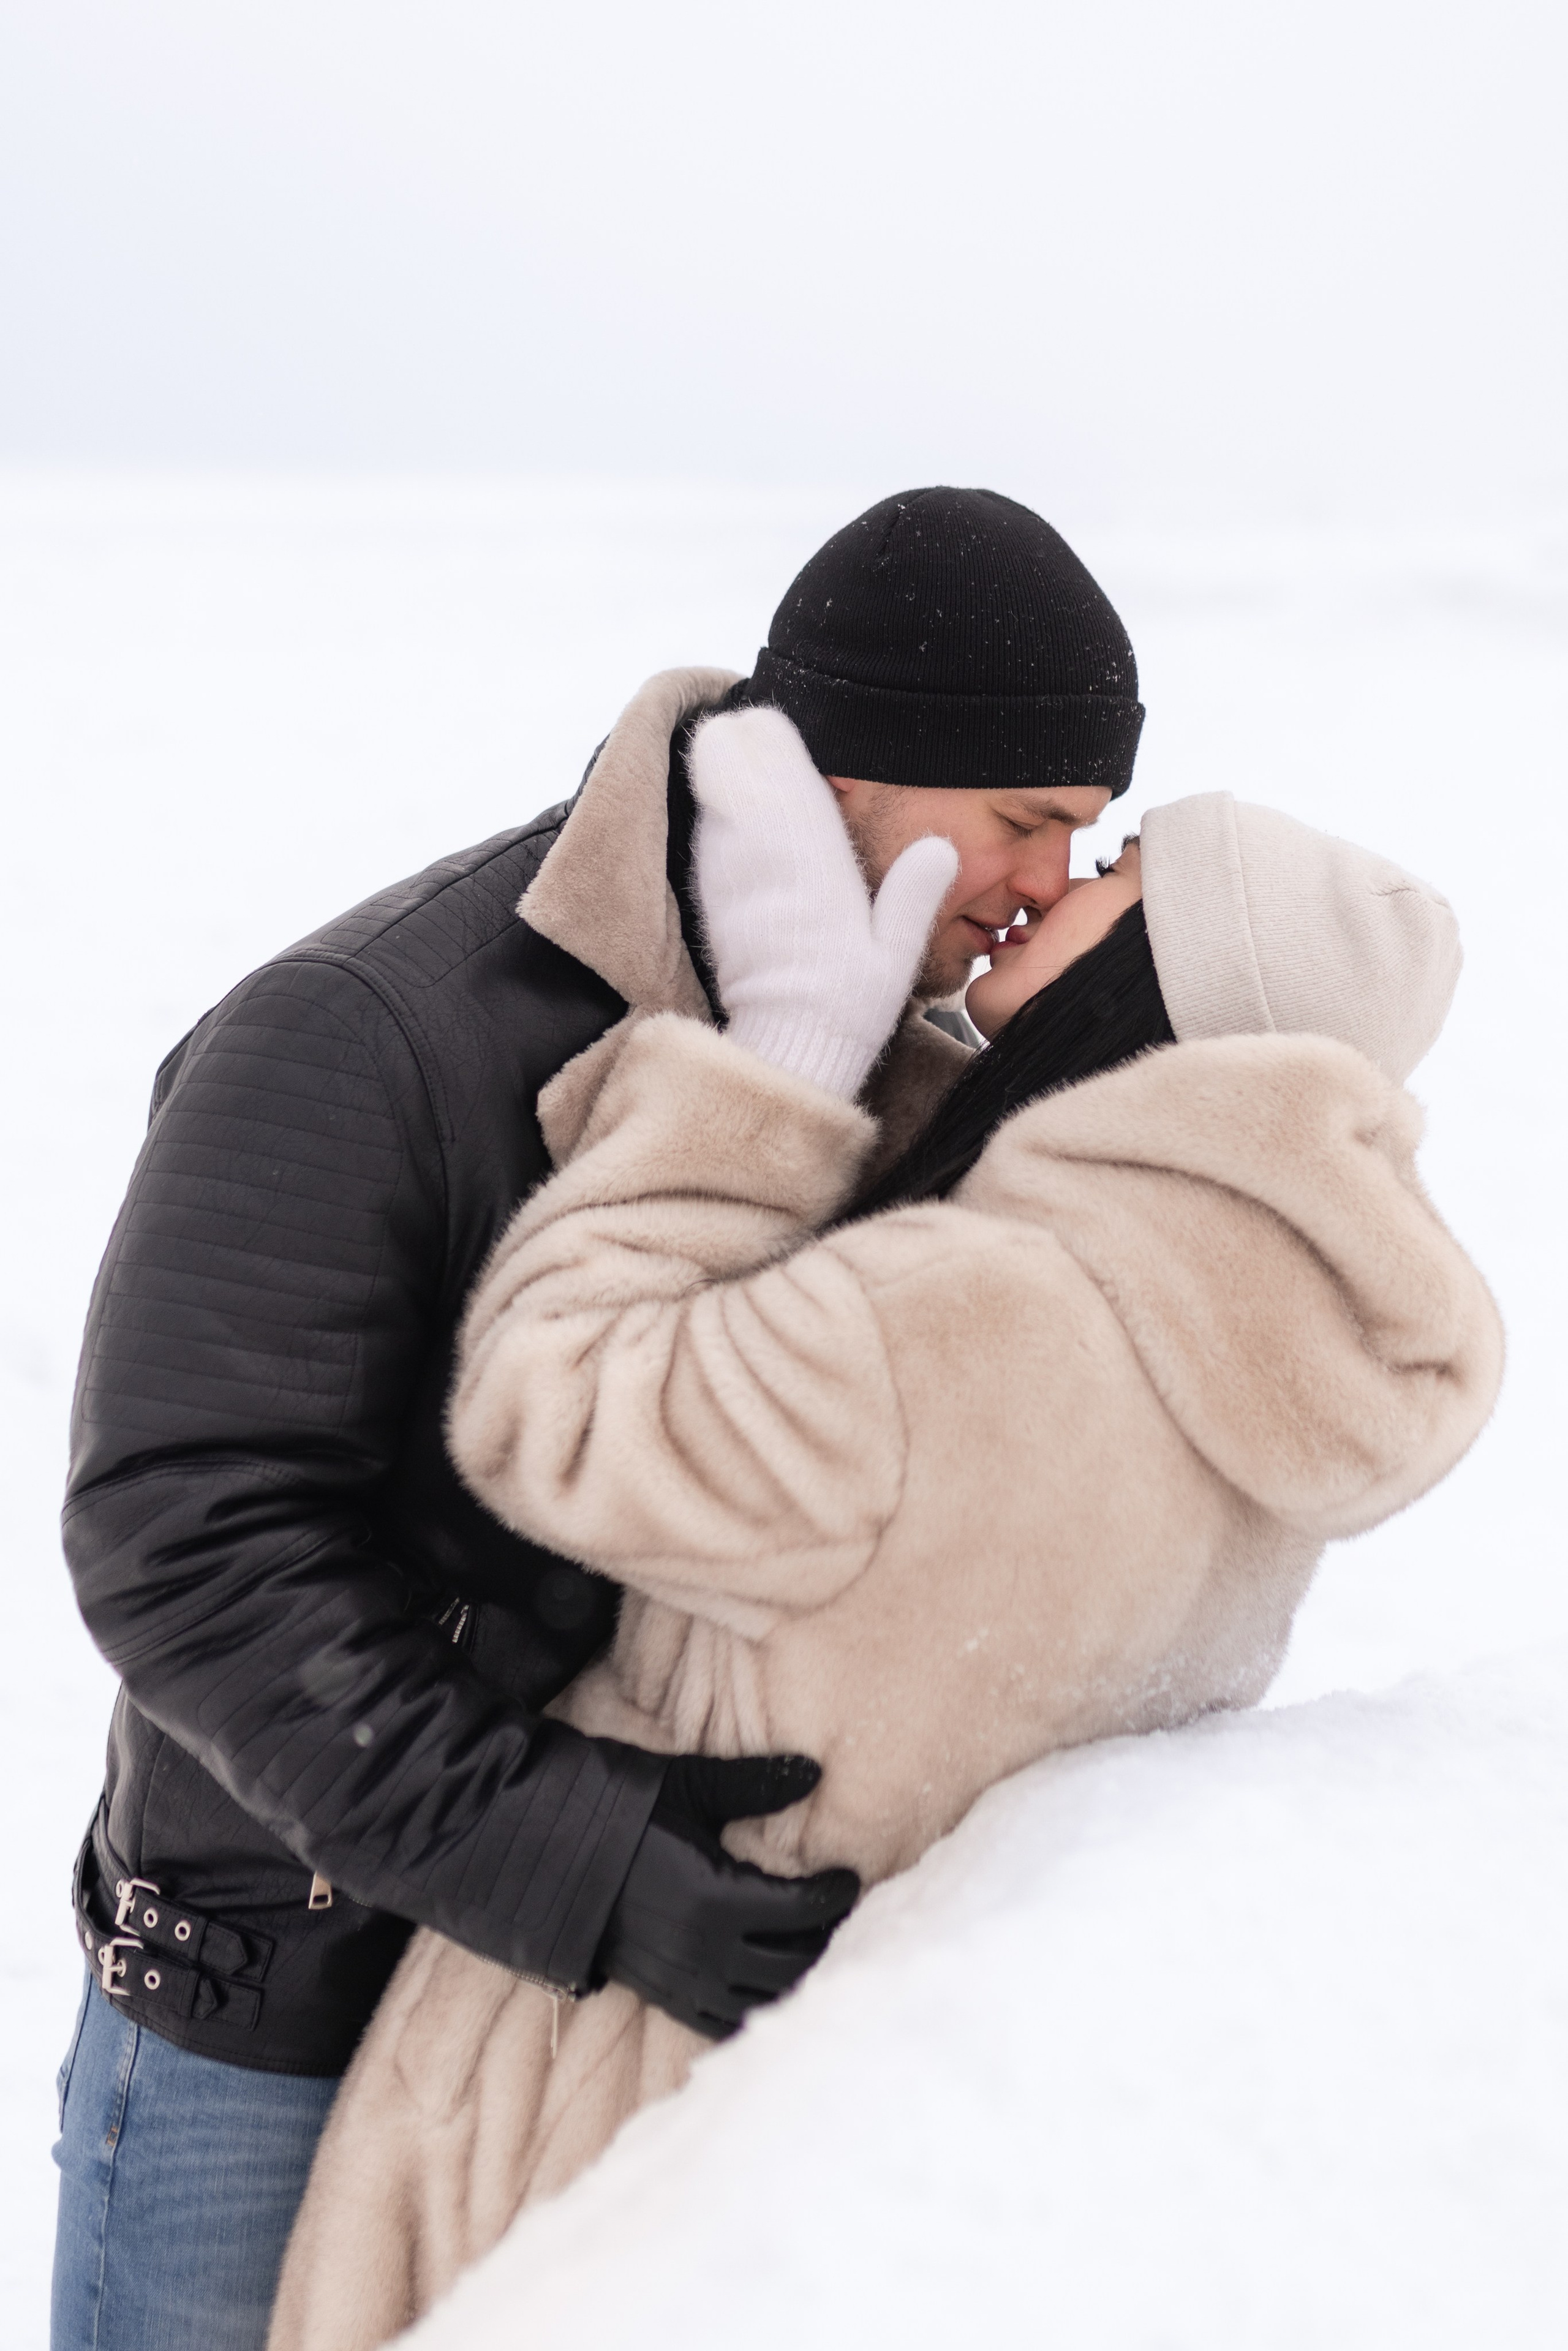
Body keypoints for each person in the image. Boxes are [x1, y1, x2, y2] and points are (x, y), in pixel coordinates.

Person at [53, 487, 1144, 2351]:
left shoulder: (902, 1046)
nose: (1049, 876)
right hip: (288, 2019)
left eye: (1088, 834)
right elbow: (186, 1538)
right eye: (1028, 821)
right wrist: (578, 1859)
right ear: (872, 769)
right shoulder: (368, 1026)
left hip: (608, 2037)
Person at [265, 712, 1502, 2351]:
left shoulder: (972, 1315)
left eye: (1119, 875)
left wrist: (766, 1080)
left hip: (608, 2086)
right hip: (837, 2069)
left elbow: (546, 1408)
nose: (1060, 881)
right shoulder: (1256, 1358)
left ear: (1178, 984)